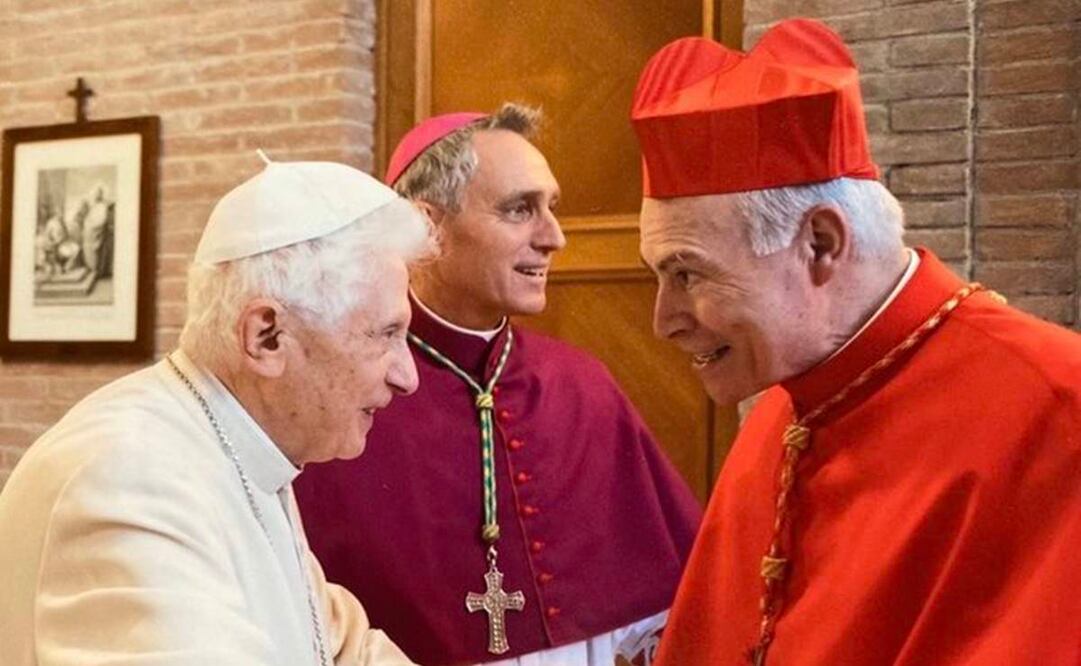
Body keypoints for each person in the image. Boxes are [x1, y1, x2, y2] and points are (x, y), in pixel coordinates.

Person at [631, 18, 1081, 666]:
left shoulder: (1057, 411)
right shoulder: (782, 416)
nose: (663, 319)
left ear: (819, 243)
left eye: (687, 274)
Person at [295, 104, 702, 666]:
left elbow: (663, 613)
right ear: (427, 227)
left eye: (551, 209)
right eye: (520, 210)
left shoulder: (584, 384)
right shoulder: (341, 394)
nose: (554, 237)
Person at [0, 157, 434, 665]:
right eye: (385, 335)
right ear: (266, 336)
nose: (408, 376)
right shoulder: (131, 479)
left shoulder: (242, 447)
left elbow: (338, 646)